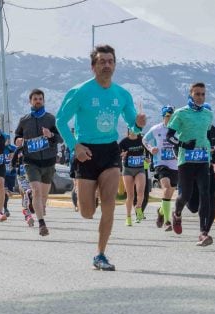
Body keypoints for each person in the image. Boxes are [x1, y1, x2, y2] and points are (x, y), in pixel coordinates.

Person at [55, 44, 147, 271]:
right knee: (87, 212)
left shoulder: (122, 94)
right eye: (102, 61)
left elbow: (132, 125)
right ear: (93, 66)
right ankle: (81, 191)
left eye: (110, 61)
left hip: (110, 151)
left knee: (109, 205)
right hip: (85, 151)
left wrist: (138, 124)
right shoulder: (80, 92)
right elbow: (60, 120)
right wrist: (74, 146)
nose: (106, 65)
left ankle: (101, 254)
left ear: (114, 65)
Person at [165, 82, 215, 246]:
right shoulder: (180, 113)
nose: (200, 97)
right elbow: (169, 136)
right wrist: (183, 144)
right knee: (185, 195)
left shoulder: (208, 114)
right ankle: (177, 213)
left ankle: (203, 232)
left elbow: (205, 134)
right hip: (186, 159)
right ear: (190, 95)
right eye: (197, 94)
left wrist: (209, 149)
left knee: (205, 193)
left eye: (203, 94)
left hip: (202, 158)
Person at [14, 88, 63, 236]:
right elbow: (16, 137)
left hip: (48, 162)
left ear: (43, 101)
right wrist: (19, 141)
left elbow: (60, 139)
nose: (38, 101)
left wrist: (51, 135)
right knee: (35, 190)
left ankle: (39, 206)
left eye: (40, 99)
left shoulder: (51, 119)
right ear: (30, 101)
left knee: (43, 197)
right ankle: (42, 224)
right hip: (31, 161)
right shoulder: (24, 120)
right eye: (35, 99)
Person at [143, 105, 178, 231]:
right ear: (164, 117)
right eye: (168, 116)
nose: (170, 118)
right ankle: (167, 221)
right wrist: (151, 148)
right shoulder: (156, 129)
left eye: (172, 116)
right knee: (166, 187)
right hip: (161, 163)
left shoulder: (178, 129)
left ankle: (161, 211)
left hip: (175, 164)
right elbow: (144, 140)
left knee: (169, 193)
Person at [119, 127, 147, 226]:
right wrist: (122, 154)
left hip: (140, 169)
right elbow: (117, 153)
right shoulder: (124, 141)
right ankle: (128, 217)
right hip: (128, 170)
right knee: (130, 195)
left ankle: (138, 207)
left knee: (140, 192)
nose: (132, 131)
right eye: (130, 129)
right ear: (128, 131)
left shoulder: (142, 139)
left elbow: (148, 149)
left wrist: (147, 158)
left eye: (134, 129)